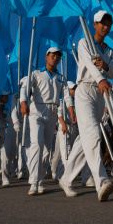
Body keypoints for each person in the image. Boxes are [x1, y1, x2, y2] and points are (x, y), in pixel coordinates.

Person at [59, 10, 113, 202]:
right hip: (85, 90)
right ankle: (102, 182)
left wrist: (106, 66)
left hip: (100, 94)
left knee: (84, 141)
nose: (105, 27)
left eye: (108, 24)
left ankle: (66, 179)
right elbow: (91, 67)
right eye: (102, 23)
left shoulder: (109, 50)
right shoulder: (85, 43)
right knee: (93, 134)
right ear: (94, 24)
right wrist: (100, 77)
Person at [20, 47, 74, 195]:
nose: (55, 58)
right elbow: (25, 88)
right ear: (46, 57)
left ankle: (40, 181)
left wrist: (71, 111)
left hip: (52, 112)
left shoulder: (61, 78)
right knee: (36, 144)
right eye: (52, 55)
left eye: (58, 56)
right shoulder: (36, 73)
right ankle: (33, 182)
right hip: (37, 109)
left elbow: (67, 96)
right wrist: (23, 102)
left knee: (46, 150)